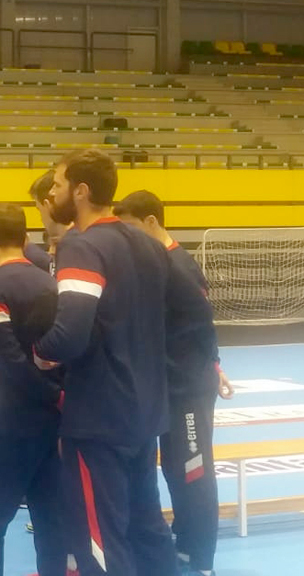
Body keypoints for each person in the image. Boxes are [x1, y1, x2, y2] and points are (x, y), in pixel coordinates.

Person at [32, 149, 208, 576]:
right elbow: (196, 309)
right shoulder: (147, 245)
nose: (51, 192)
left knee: (100, 538)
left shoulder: (82, 244)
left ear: (80, 191)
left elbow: (70, 333)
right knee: (147, 527)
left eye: (56, 184)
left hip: (99, 419)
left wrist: (40, 352)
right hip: (146, 413)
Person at [114, 190, 234, 576]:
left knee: (193, 471)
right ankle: (184, 539)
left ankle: (201, 559)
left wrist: (212, 367)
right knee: (175, 471)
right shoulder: (155, 263)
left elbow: (203, 323)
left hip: (187, 389)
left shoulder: (178, 265)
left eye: (132, 228)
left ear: (152, 222)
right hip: (167, 386)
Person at [0, 204, 67, 576]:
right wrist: (60, 399)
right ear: (25, 240)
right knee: (51, 523)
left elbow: (12, 361)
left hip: (10, 426)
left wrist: (51, 395)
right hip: (54, 426)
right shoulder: (51, 284)